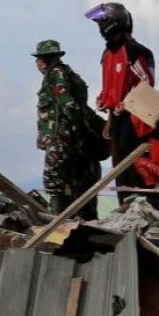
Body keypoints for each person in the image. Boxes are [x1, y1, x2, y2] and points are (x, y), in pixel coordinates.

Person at [88, 3, 157, 187]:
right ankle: (125, 206)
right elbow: (111, 85)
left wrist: (127, 103)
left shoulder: (135, 50)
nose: (100, 28)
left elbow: (147, 83)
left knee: (136, 167)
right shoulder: (108, 52)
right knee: (119, 167)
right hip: (117, 118)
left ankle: (141, 205)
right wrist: (105, 103)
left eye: (101, 23)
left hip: (136, 118)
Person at [32, 39, 101, 210]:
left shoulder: (56, 75)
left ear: (43, 61)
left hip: (61, 137)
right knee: (73, 181)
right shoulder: (66, 73)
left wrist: (76, 127)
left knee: (54, 179)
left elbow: (68, 104)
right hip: (71, 137)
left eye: (38, 60)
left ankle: (57, 218)